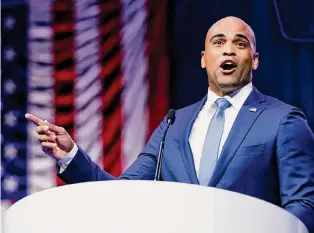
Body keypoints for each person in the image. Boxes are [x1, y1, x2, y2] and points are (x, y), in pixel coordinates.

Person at [26, 16, 314, 232]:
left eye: (240, 44)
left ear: (254, 60)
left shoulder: (283, 120)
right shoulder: (174, 125)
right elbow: (121, 195)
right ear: (204, 59)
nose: (228, 51)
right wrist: (71, 155)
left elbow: (302, 208)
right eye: (218, 43)